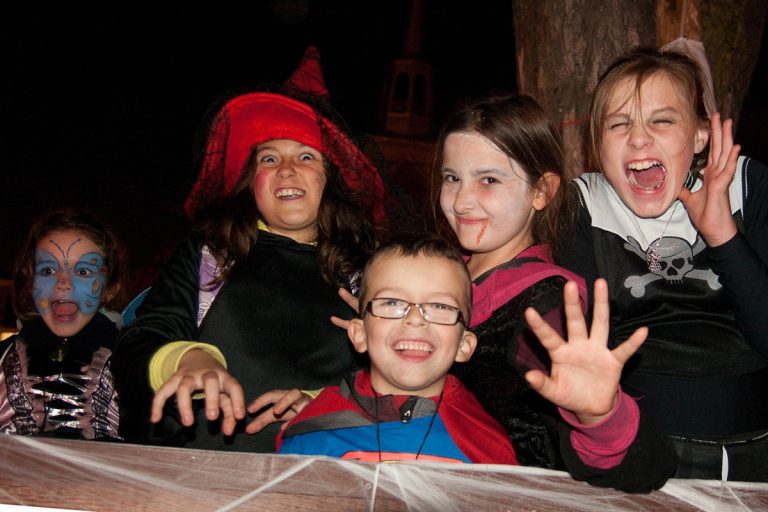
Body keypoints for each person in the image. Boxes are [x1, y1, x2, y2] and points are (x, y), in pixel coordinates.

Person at [112, 47, 386, 453]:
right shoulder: (210, 254)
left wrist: (323, 407)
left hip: (311, 472)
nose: (286, 170)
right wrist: (187, 360)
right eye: (269, 158)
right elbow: (141, 341)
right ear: (251, 181)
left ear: (331, 180)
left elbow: (386, 376)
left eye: (306, 156)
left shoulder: (365, 274)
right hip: (189, 468)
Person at [435, 94, 677, 491]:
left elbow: (644, 464)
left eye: (489, 180)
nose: (462, 201)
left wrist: (600, 417)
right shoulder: (437, 276)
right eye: (452, 178)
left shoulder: (546, 307)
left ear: (541, 190)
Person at [556, 47, 768, 482]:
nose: (638, 138)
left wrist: (723, 236)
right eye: (618, 124)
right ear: (597, 144)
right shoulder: (583, 204)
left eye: (662, 120)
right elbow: (584, 353)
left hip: (756, 448)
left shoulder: (747, 183)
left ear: (699, 137)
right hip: (641, 449)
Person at [277, 235, 518, 463]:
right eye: (392, 302)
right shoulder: (312, 433)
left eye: (439, 306)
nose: (415, 319)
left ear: (464, 346)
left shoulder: (486, 447)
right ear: (359, 335)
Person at [0, 209, 126, 439]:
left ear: (107, 284)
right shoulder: (3, 360)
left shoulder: (130, 363)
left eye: (84, 271)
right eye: (48, 270)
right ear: (30, 280)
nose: (64, 283)